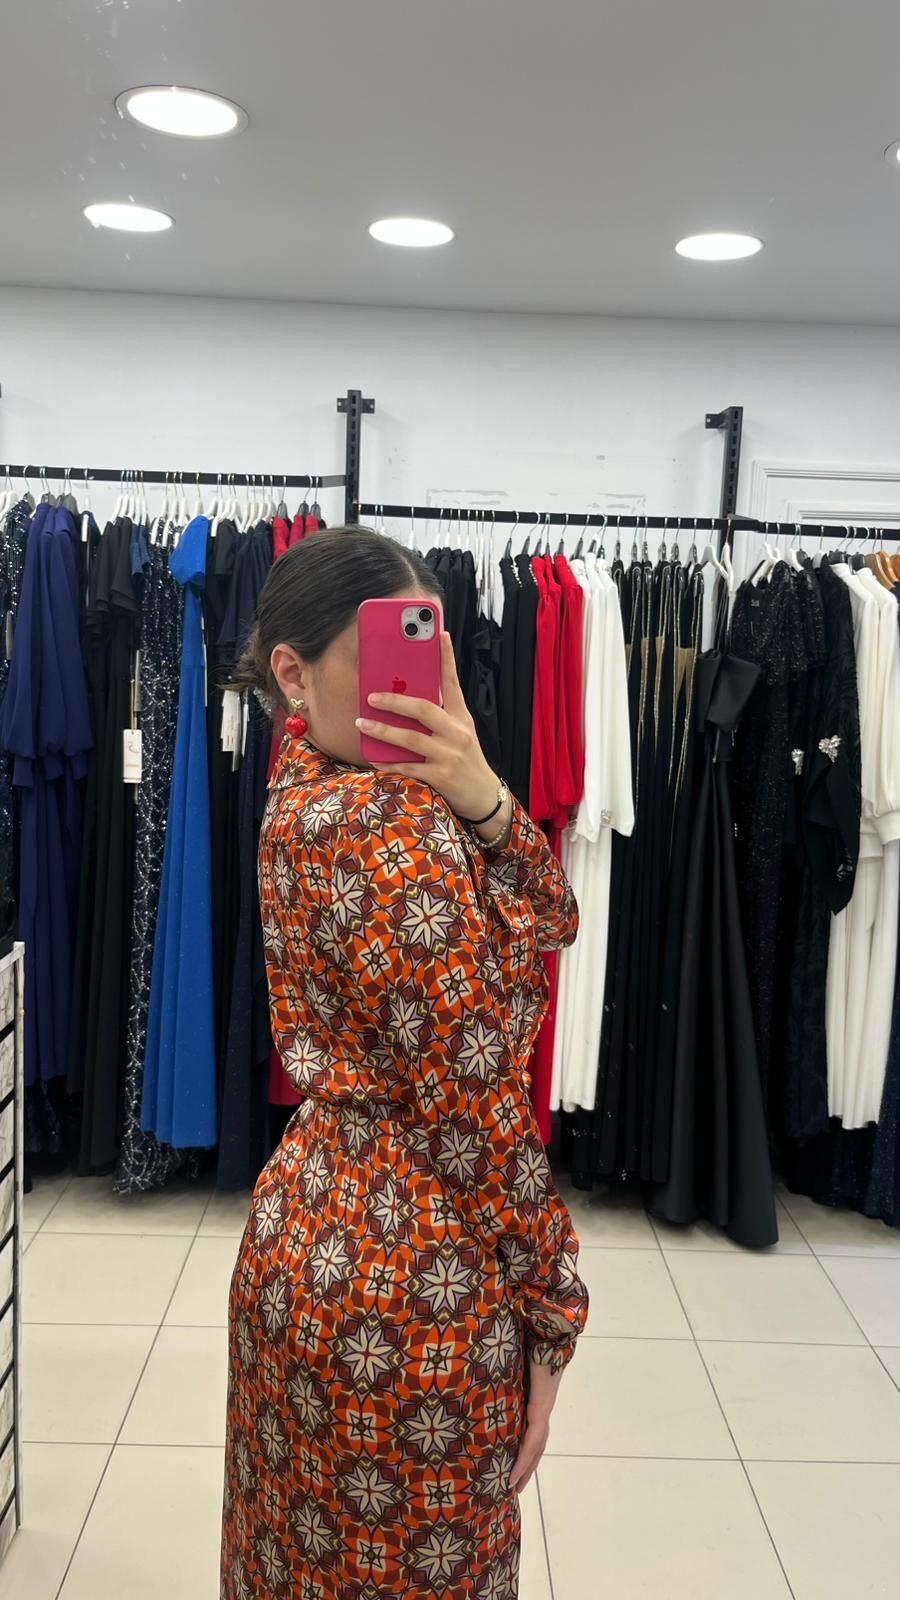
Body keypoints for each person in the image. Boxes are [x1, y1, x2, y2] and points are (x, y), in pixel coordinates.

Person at [221, 526, 588, 1600]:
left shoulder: (299, 785)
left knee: (292, 1557)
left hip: (304, 1241)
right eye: (382, 654)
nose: (412, 688)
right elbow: (474, 1109)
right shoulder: (388, 825)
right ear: (293, 672)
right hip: (413, 1285)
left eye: (427, 655)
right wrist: (554, 1306)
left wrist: (478, 793)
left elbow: (550, 918)